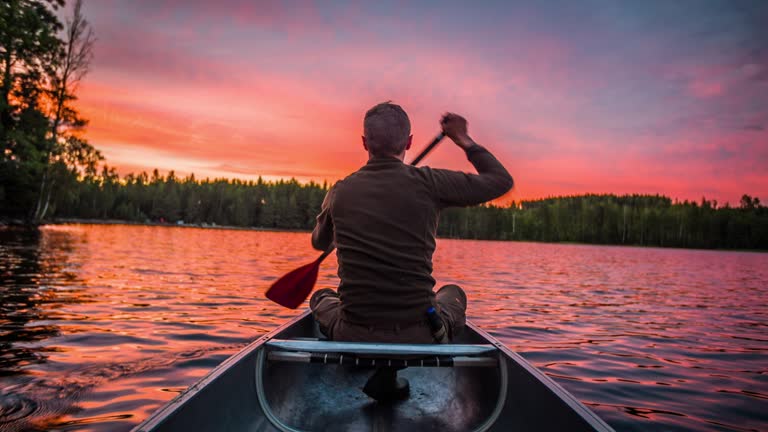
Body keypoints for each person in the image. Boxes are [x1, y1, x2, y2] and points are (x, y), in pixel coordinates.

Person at [309, 102, 513, 349]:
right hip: (421, 333)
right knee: (452, 293)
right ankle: (434, 337)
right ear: (409, 142)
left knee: (321, 297)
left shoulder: (339, 192)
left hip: (352, 332)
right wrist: (463, 139)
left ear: (365, 143)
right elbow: (500, 181)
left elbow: (319, 243)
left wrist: (337, 228)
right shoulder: (429, 183)